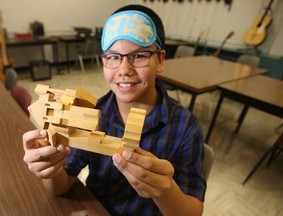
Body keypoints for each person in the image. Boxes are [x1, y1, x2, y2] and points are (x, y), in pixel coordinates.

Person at [23, 4, 206, 216]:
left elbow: (192, 212)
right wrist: (50, 169)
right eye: (113, 56)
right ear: (103, 61)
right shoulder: (90, 113)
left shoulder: (186, 128)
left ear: (161, 60)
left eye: (139, 56)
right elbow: (61, 185)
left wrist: (164, 192)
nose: (124, 70)